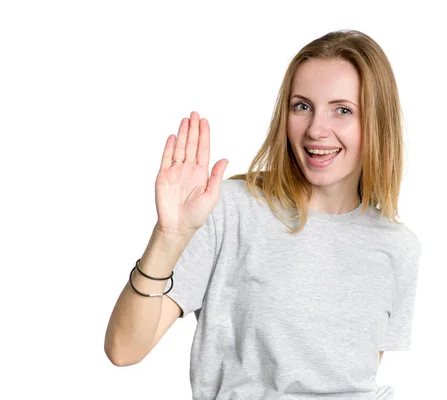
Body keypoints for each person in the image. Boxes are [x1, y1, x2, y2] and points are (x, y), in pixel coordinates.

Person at [104, 29, 422, 400]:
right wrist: (169, 236)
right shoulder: (231, 210)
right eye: (302, 106)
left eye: (343, 110)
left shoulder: (399, 247)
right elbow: (124, 350)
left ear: (377, 122)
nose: (317, 129)